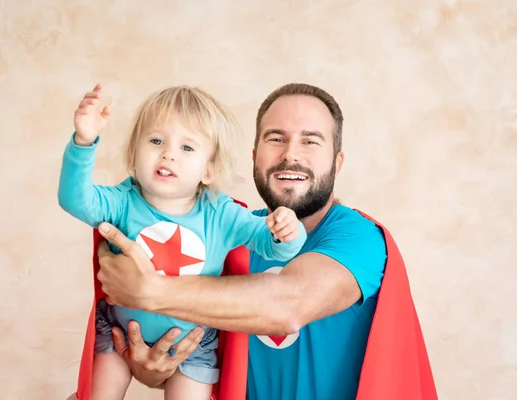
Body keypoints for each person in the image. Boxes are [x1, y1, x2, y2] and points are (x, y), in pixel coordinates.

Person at [83, 83, 437, 400]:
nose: (290, 154)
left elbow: (288, 305)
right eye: (275, 138)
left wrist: (150, 292)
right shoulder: (227, 234)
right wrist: (152, 365)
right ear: (254, 156)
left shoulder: (358, 237)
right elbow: (194, 353)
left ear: (337, 162)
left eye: (311, 141)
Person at [58, 84, 307, 400]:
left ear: (209, 170)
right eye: (156, 140)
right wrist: (83, 142)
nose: (168, 153)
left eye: (187, 148)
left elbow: (273, 246)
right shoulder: (121, 201)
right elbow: (73, 199)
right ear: (134, 155)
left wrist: (288, 230)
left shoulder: (221, 214)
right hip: (118, 330)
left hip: (193, 343)